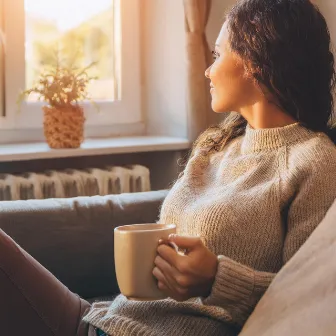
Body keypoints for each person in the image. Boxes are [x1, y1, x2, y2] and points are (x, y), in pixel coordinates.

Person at [2, 0, 336, 335]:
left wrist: (215, 280)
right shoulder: (216, 144)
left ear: (254, 62)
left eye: (218, 55)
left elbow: (308, 298)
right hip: (101, 319)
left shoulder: (313, 161)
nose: (208, 69)